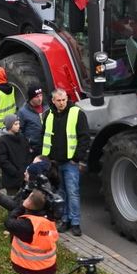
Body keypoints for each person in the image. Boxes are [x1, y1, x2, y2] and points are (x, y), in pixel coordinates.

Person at [41, 88, 89, 236]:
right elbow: (44, 136)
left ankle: (75, 222)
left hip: (70, 162)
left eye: (64, 100)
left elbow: (84, 137)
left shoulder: (77, 113)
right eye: (59, 101)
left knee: (72, 192)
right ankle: (65, 219)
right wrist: (45, 158)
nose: (62, 103)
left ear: (67, 99)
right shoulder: (48, 114)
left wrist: (76, 158)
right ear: (53, 101)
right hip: (55, 162)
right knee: (61, 193)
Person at [0, 186, 60, 274]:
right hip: (49, 268)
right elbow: (16, 208)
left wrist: (23, 205)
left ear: (29, 203)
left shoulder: (27, 225)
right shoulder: (48, 218)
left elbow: (9, 221)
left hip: (32, 272)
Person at [0, 116, 30, 196]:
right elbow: (3, 161)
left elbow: (27, 153)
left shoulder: (21, 137)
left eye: (18, 123)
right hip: (12, 178)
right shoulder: (3, 141)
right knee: (12, 201)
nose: (18, 126)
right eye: (15, 124)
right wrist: (16, 172)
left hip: (23, 176)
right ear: (9, 126)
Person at [17, 86, 45, 158]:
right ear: (31, 98)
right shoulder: (22, 112)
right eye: (37, 97)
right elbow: (19, 131)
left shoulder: (47, 107)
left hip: (47, 146)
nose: (40, 99)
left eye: (41, 95)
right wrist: (26, 146)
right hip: (33, 149)